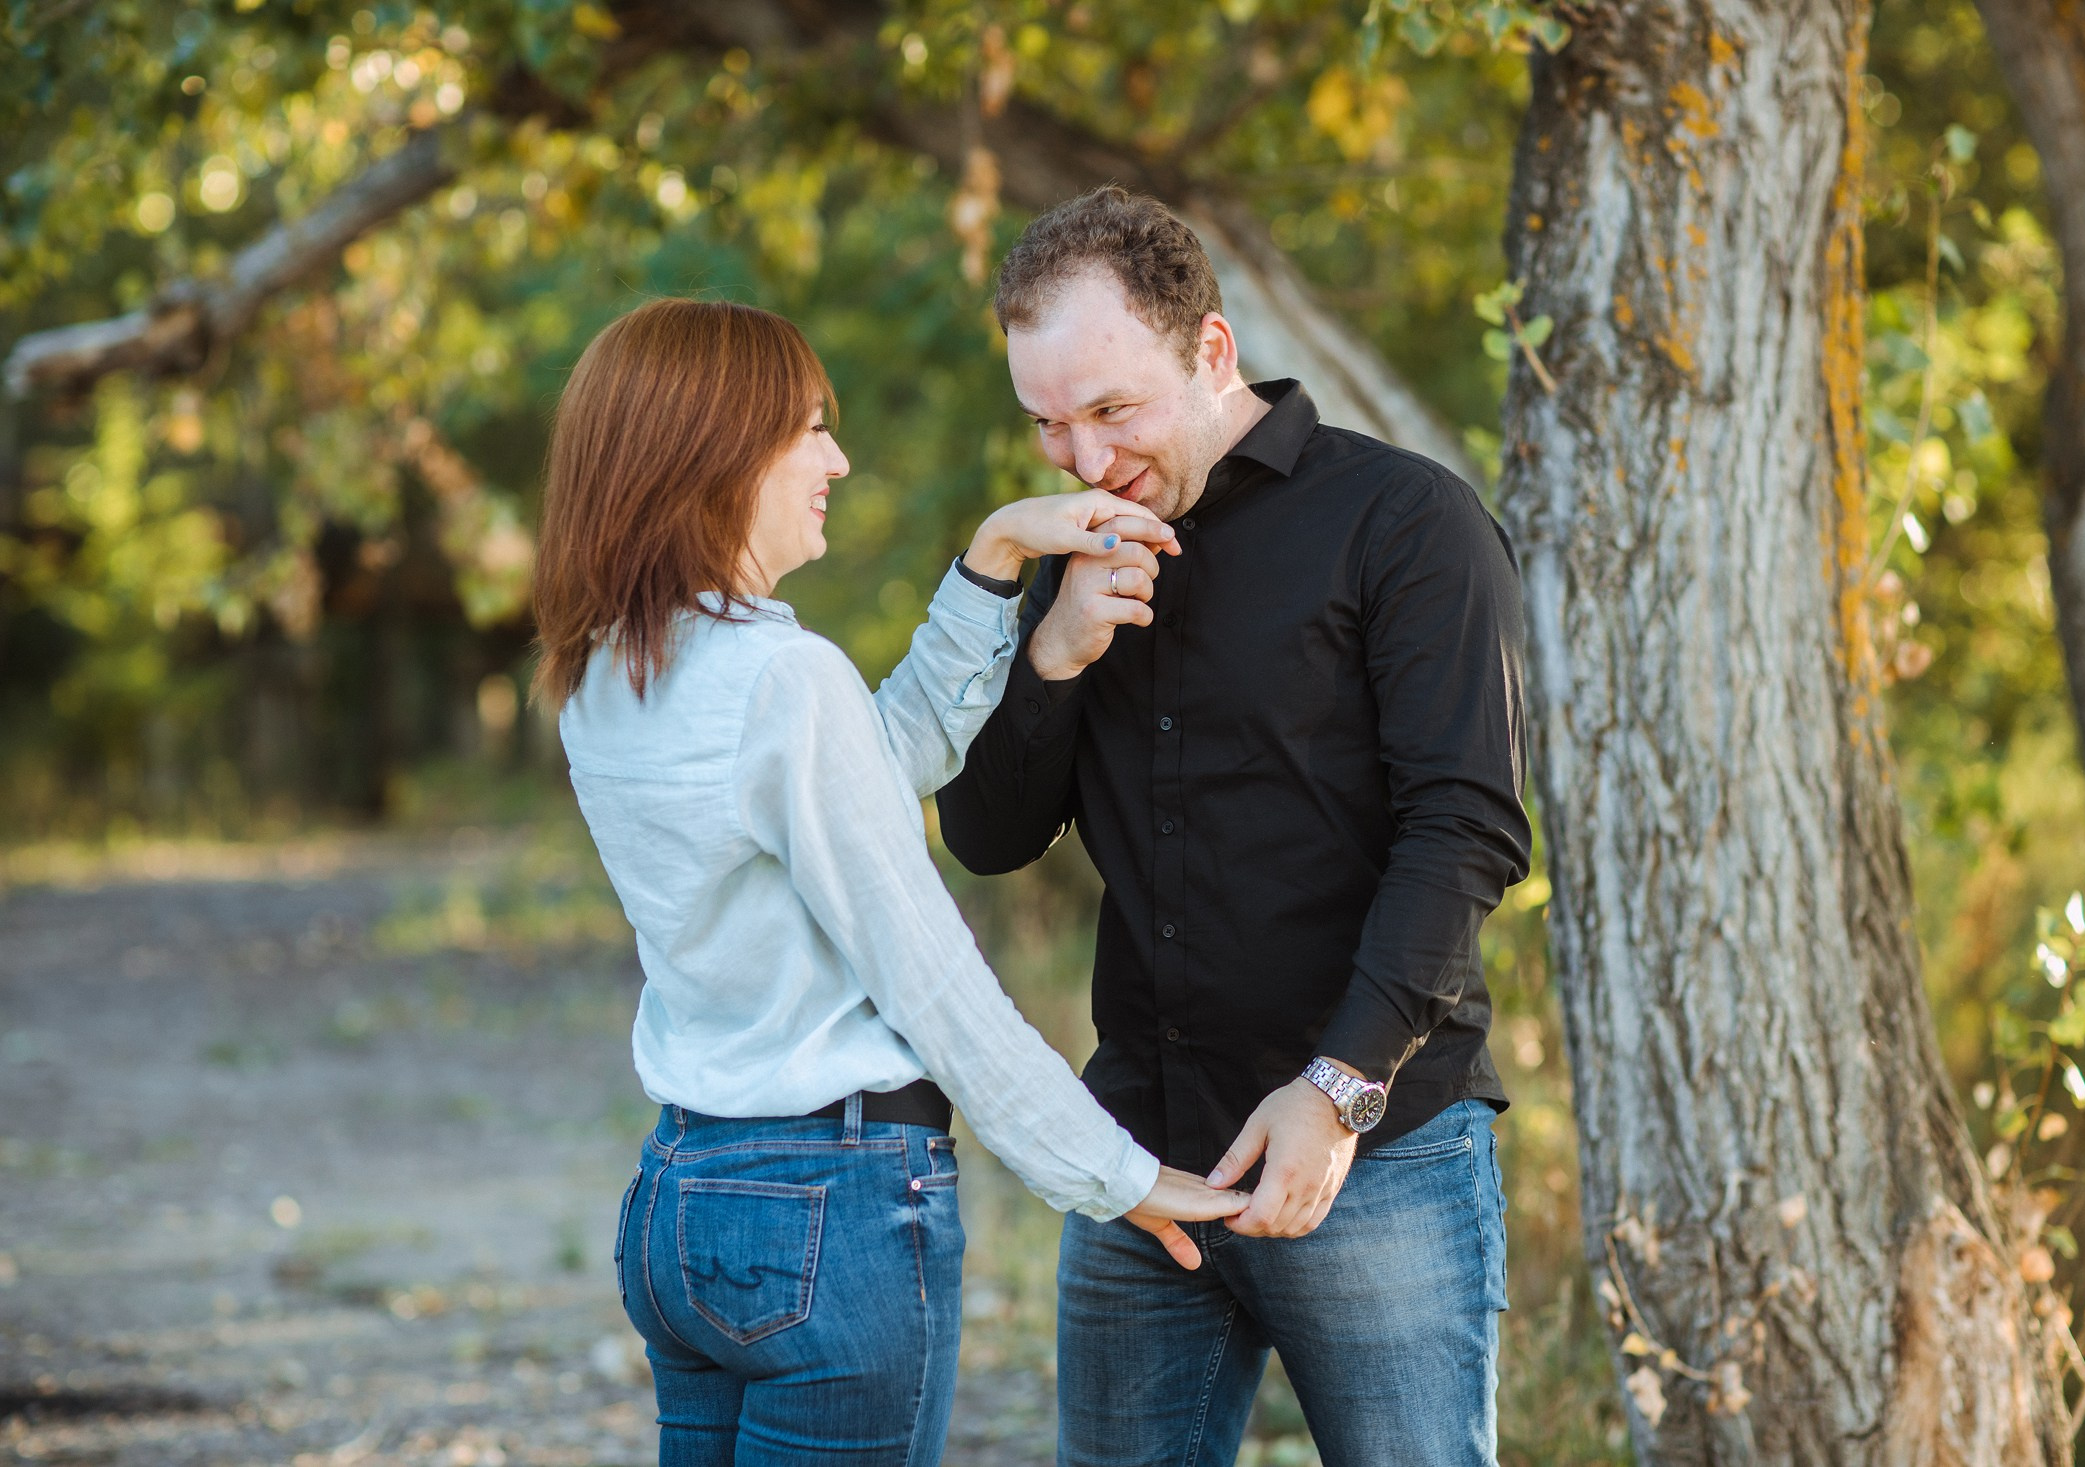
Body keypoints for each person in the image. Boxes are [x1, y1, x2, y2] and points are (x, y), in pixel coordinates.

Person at [533, 298, 1247, 1467]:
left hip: (684, 1198)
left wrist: (992, 563)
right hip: (830, 1211)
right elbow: (931, 980)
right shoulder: (779, 677)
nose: (837, 459)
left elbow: (860, 775)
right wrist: (1113, 1176)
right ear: (716, 453)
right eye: (808, 429)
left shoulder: (613, 670)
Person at [939, 188, 1534, 1466]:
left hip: (1374, 1159)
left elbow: (1467, 829)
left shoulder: (1405, 524)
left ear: (1211, 352)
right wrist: (1051, 651)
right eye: (1048, 424)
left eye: (1113, 411)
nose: (1087, 461)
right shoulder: (1074, 550)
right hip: (1137, 1165)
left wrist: (1338, 1086)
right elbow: (987, 838)